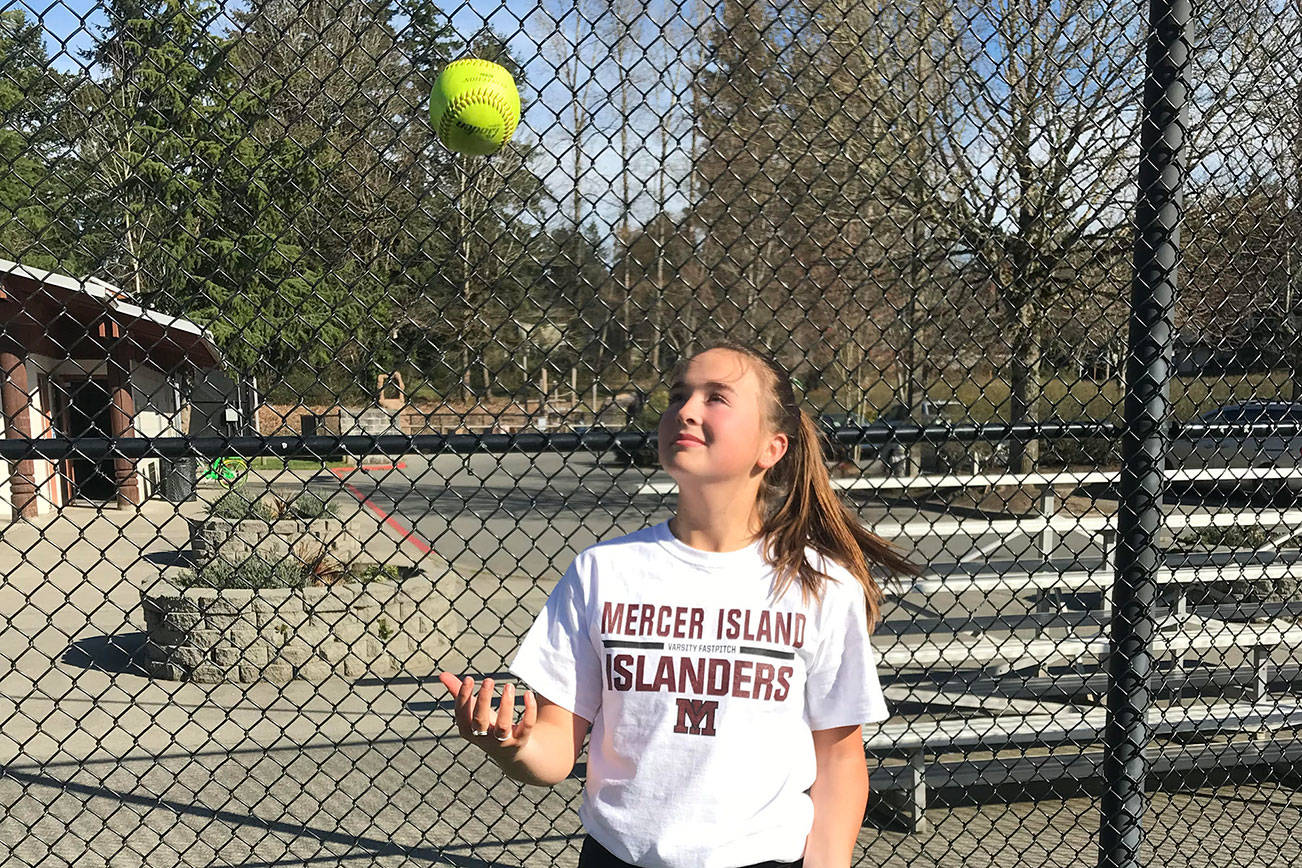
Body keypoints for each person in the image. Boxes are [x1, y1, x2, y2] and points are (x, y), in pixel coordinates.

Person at [438, 339, 920, 868]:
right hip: (617, 858)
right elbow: (554, 750)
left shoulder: (820, 584)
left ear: (772, 448)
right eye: (677, 395)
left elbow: (839, 759)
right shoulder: (603, 571)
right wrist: (514, 746)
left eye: (717, 397)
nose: (685, 410)